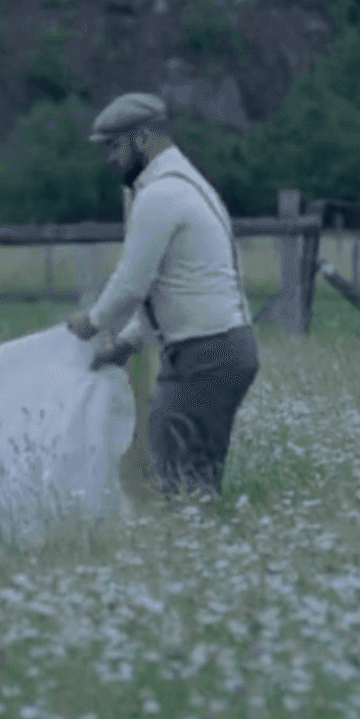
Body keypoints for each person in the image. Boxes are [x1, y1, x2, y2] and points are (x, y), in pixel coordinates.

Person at [62, 92, 259, 498]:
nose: (109, 159)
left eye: (115, 146)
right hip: (214, 350)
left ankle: (200, 550)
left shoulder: (161, 195)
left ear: (144, 138)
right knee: (186, 472)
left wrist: (93, 322)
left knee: (181, 479)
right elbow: (165, 286)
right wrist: (129, 342)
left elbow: (133, 282)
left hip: (207, 353)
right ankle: (207, 548)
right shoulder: (179, 185)